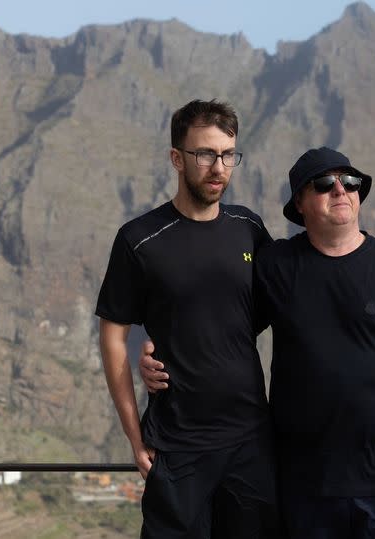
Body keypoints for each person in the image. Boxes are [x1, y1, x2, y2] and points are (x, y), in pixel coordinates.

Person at [142, 146, 375, 538]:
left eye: (350, 181)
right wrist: (155, 353)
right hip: (302, 487)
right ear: (300, 204)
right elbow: (221, 327)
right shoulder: (275, 266)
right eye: (324, 184)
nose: (340, 190)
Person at [96, 99, 278, 538]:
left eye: (228, 154)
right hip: (177, 448)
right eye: (205, 154)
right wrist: (134, 436)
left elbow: (279, 306)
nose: (219, 167)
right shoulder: (139, 240)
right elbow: (112, 338)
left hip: (250, 442)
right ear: (177, 158)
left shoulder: (248, 227)